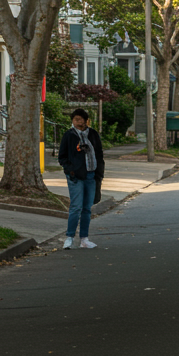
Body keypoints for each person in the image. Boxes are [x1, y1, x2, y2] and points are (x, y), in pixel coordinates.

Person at [57, 107, 104, 250]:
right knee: (75, 207)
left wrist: (99, 174)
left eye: (80, 119)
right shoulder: (69, 135)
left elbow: (99, 154)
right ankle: (69, 238)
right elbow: (62, 157)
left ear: (86, 120)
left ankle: (84, 239)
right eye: (75, 119)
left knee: (87, 209)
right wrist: (70, 170)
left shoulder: (93, 134)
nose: (78, 122)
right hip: (75, 177)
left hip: (91, 176)